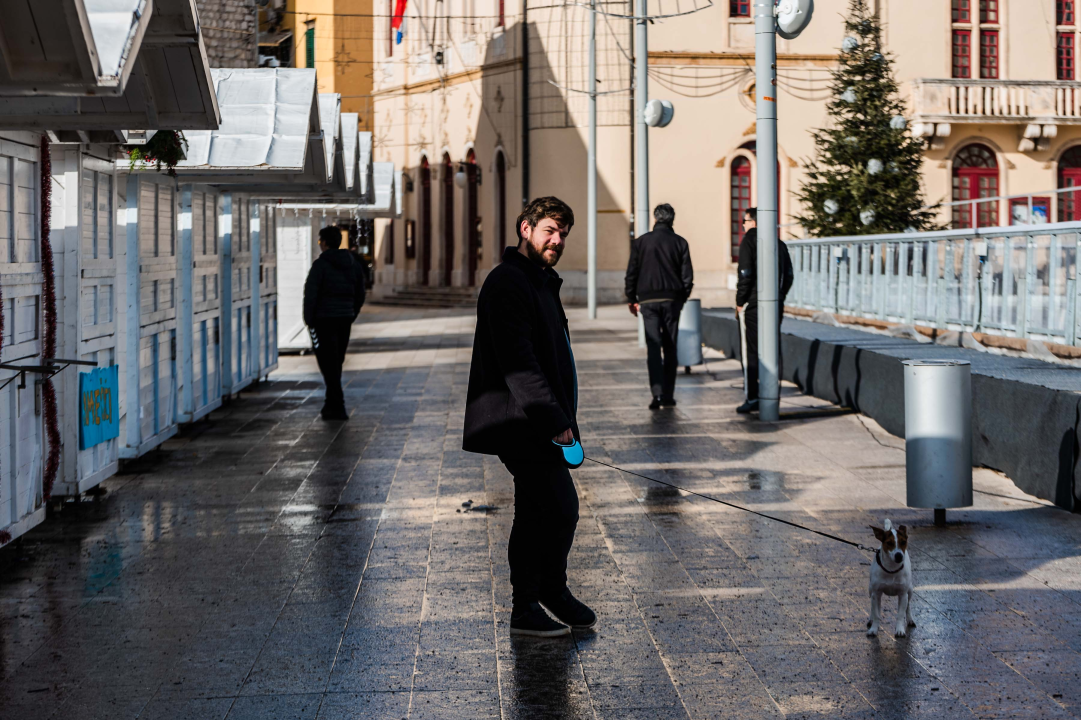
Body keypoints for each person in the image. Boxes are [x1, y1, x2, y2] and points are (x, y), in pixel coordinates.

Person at [463, 196, 596, 638]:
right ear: (526, 228)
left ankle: (545, 594)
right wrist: (555, 421)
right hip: (520, 421)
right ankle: (532, 602)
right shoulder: (509, 282)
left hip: (538, 420)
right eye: (549, 231)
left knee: (544, 509)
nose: (557, 240)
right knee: (555, 508)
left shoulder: (538, 280)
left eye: (563, 234)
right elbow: (519, 362)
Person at [624, 203, 694, 409]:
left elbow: (631, 273)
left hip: (648, 301)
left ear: (655, 219)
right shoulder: (680, 242)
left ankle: (657, 395)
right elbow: (687, 276)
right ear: (672, 219)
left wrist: (631, 298)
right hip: (672, 300)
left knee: (653, 347)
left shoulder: (641, 242)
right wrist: (682, 298)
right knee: (670, 347)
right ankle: (669, 394)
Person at [303, 226, 366, 421]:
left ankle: (337, 405)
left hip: (323, 320)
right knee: (336, 360)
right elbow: (360, 293)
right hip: (344, 318)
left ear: (324, 243)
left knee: (326, 361)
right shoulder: (353, 264)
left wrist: (309, 319)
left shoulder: (320, 265)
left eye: (319, 241)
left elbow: (310, 294)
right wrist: (352, 313)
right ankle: (331, 404)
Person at [735, 207, 794, 414]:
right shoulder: (779, 243)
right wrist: (780, 296)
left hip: (753, 305)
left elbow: (745, 274)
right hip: (775, 305)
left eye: (745, 221)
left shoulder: (749, 241)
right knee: (772, 349)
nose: (743, 225)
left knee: (751, 351)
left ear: (753, 222)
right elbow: (789, 276)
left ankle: (752, 396)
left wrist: (740, 301)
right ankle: (771, 395)